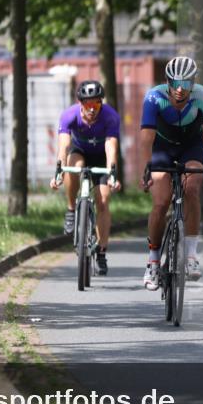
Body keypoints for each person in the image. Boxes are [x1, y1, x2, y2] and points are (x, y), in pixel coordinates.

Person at [139, 56, 203, 290]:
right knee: (161, 201)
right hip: (162, 147)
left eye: (186, 83)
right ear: (167, 81)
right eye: (175, 83)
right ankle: (153, 261)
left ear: (193, 83)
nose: (180, 89)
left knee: (192, 188)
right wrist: (145, 171)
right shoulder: (153, 97)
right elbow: (146, 140)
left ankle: (191, 255)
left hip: (192, 146)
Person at [50, 80, 121, 276]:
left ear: (101, 104)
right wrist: (58, 172)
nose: (92, 109)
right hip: (79, 151)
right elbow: (64, 146)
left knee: (103, 200)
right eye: (88, 104)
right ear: (80, 103)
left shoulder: (110, 116)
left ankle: (101, 252)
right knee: (74, 167)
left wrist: (112, 174)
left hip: (101, 156)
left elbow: (111, 147)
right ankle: (71, 209)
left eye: (96, 104)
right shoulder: (69, 115)